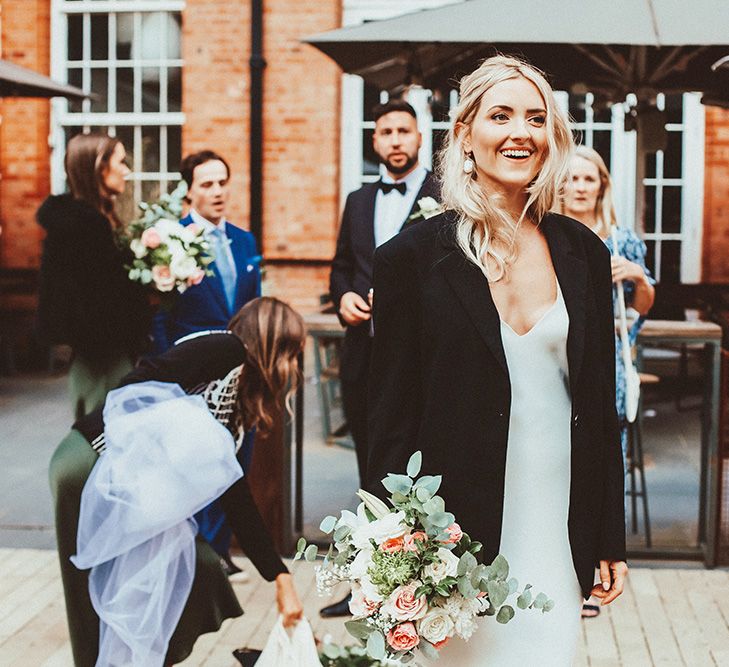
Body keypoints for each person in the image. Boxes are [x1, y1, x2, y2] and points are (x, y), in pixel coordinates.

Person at [366, 56, 627, 665]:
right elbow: (389, 414)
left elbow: (597, 405)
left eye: (536, 118)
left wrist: (609, 535)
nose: (521, 132)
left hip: (557, 522)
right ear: (464, 133)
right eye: (501, 115)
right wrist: (389, 544)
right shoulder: (411, 257)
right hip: (451, 531)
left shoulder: (584, 253)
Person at [49, 297, 304, 666]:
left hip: (118, 476)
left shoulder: (234, 396)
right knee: (87, 597)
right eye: (292, 353)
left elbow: (236, 499)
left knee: (193, 570)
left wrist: (280, 576)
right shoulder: (226, 348)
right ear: (272, 342)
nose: (294, 367)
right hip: (88, 461)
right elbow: (136, 383)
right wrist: (181, 431)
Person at [325, 99, 440, 618]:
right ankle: (366, 587)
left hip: (423, 361)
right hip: (364, 355)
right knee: (370, 466)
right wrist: (345, 296)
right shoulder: (356, 200)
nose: (395, 139)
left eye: (403, 131)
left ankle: (421, 587)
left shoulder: (445, 198)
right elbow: (342, 267)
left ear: (420, 139)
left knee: (419, 465)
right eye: (385, 132)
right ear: (374, 142)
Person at [152, 149, 262, 577]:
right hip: (192, 376)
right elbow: (159, 318)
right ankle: (193, 555)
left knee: (234, 463)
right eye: (207, 184)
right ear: (190, 190)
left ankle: (217, 555)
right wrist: (169, 375)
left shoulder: (245, 240)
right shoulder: (171, 241)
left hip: (242, 373)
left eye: (222, 183)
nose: (217, 192)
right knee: (194, 465)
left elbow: (250, 308)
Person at [562, 145, 654, 619]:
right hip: (560, 360)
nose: (579, 187)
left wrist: (636, 275)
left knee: (597, 458)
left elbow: (643, 305)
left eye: (587, 179)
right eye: (572, 179)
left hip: (607, 364)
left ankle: (590, 568)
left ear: (601, 185)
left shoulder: (622, 240)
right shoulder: (547, 234)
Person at [36, 133, 152, 419]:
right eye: (121, 162)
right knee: (104, 442)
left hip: (110, 354)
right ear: (100, 169)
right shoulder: (82, 230)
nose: (126, 170)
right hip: (101, 359)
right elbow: (92, 302)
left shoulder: (96, 222)